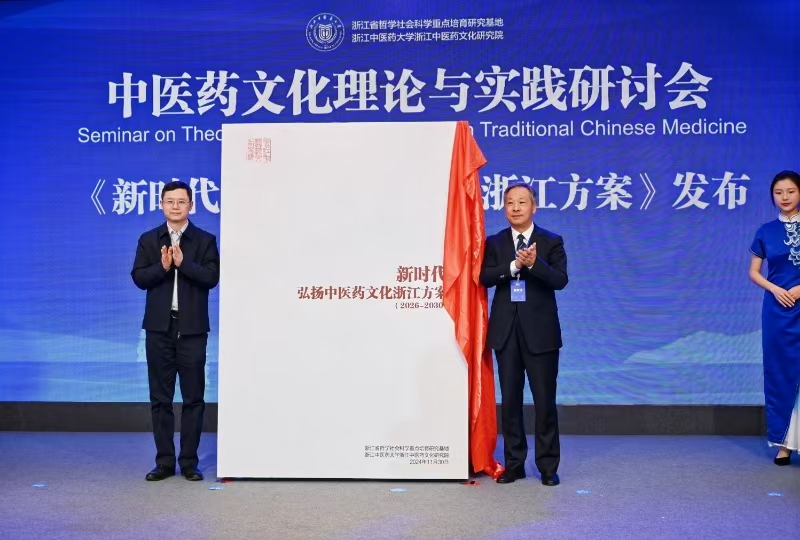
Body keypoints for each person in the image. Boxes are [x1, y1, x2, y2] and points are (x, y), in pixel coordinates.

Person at [480, 180, 568, 486]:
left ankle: (547, 466)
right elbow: (484, 277)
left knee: (544, 401)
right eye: (510, 203)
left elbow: (560, 280)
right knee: (510, 401)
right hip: (506, 333)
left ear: (534, 207)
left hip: (541, 334)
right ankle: (514, 464)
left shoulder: (551, 241)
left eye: (522, 202)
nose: (515, 208)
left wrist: (534, 264)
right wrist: (514, 266)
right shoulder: (495, 242)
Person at [131, 180, 220, 481]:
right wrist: (164, 267)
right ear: (161, 205)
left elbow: (211, 278)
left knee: (193, 398)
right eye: (170, 201)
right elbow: (139, 278)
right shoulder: (149, 239)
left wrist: (184, 264)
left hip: (192, 330)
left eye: (181, 201)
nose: (175, 206)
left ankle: (190, 463)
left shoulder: (205, 240)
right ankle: (165, 462)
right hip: (159, 330)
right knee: (161, 399)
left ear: (191, 205)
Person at [749, 170, 800, 466]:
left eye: (790, 191)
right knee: (780, 372)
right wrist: (775, 289)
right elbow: (754, 272)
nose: (784, 197)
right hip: (778, 310)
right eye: (779, 192)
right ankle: (784, 445)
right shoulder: (766, 230)